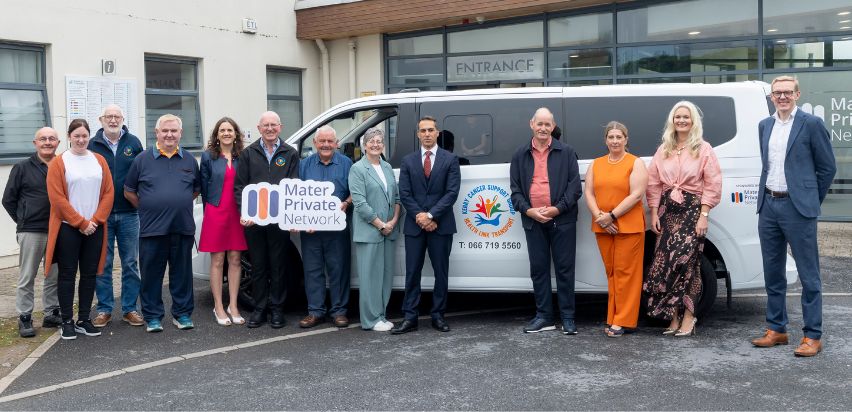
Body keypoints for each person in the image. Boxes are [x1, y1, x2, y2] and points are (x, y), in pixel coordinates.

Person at [750, 76, 836, 357]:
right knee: (773, 273)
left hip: (797, 209)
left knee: (809, 276)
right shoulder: (765, 125)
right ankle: (777, 329)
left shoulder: (811, 124)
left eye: (788, 92)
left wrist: (809, 199)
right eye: (777, 93)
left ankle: (813, 335)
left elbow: (827, 169)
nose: (782, 97)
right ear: (772, 97)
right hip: (769, 206)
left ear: (797, 94)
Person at [643, 101, 722, 337]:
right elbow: (653, 183)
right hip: (668, 212)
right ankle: (674, 317)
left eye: (686, 117)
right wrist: (654, 212)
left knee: (688, 264)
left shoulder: (703, 148)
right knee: (667, 266)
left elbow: (713, 183)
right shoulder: (664, 149)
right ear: (672, 120)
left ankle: (689, 316)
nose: (681, 120)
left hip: (692, 211)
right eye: (677, 117)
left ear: (693, 121)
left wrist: (704, 215)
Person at [124, 114, 200, 333]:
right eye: (164, 131)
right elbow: (129, 191)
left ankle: (182, 314)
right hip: (151, 229)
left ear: (180, 133)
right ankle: (153, 317)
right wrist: (148, 207)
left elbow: (195, 190)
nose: (169, 134)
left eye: (174, 131)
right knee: (151, 275)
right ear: (156, 133)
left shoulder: (189, 160)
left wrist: (177, 202)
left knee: (182, 274)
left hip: (182, 227)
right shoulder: (142, 159)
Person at [509, 107, 582, 335]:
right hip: (532, 220)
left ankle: (568, 318)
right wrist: (529, 211)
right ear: (532, 124)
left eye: (547, 124)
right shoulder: (520, 154)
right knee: (539, 270)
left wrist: (556, 209)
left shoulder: (567, 152)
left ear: (553, 126)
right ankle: (544, 317)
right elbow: (515, 191)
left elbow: (575, 188)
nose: (543, 128)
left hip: (562, 220)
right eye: (539, 124)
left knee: (564, 269)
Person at [45, 119, 114, 340]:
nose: (81, 140)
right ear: (69, 137)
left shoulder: (99, 160)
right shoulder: (59, 162)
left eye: (85, 135)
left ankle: (84, 318)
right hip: (68, 228)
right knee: (66, 275)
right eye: (77, 136)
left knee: (89, 274)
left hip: (95, 228)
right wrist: (80, 223)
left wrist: (95, 220)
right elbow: (57, 198)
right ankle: (67, 321)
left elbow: (108, 193)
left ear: (89, 137)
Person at [393, 116, 461, 334]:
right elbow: (404, 193)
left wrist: (431, 216)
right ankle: (410, 317)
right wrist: (421, 217)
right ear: (418, 134)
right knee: (412, 272)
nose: (427, 134)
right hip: (415, 226)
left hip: (441, 225)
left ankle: (438, 315)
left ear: (438, 133)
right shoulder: (408, 161)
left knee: (441, 272)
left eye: (431, 130)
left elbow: (451, 193)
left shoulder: (450, 160)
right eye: (423, 130)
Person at [234, 111, 300, 329]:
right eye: (266, 125)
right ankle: (260, 309)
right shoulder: (248, 154)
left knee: (278, 266)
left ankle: (277, 310)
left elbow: (294, 186)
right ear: (259, 128)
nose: (270, 129)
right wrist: (246, 212)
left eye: (274, 125)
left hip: (279, 222)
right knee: (259, 267)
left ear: (280, 127)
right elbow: (240, 187)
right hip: (254, 223)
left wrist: (291, 215)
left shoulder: (290, 153)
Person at [583, 121, 648, 337]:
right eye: (611, 137)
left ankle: (623, 321)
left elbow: (636, 194)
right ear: (606, 140)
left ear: (626, 139)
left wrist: (611, 216)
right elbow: (589, 193)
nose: (615, 141)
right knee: (611, 272)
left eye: (619, 137)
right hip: (603, 226)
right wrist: (600, 217)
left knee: (626, 274)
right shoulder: (596, 163)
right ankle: (613, 316)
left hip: (627, 226)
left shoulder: (635, 163)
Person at [88, 104, 145, 328]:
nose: (113, 120)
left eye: (117, 116)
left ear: (123, 119)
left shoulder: (134, 143)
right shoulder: (92, 145)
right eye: (109, 117)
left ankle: (130, 308)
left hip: (130, 213)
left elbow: (143, 173)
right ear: (101, 120)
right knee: (103, 263)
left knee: (131, 262)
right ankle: (104, 309)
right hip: (102, 214)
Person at [2, 127, 62, 337]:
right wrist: (23, 219)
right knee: (27, 275)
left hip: (57, 229)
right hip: (31, 231)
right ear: (35, 143)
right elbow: (8, 199)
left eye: (52, 139)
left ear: (58, 142)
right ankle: (25, 317)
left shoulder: (63, 165)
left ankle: (51, 313)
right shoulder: (22, 167)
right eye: (43, 139)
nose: (47, 142)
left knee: (53, 274)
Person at [297, 125, 353, 329]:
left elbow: (355, 191)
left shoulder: (347, 164)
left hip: (337, 229)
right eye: (322, 141)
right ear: (315, 143)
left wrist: (346, 203)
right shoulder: (304, 165)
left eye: (330, 141)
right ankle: (315, 311)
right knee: (312, 270)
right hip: (311, 230)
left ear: (336, 143)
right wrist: (300, 220)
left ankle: (339, 311)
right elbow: (296, 196)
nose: (326, 145)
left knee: (339, 269)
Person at [348, 128, 401, 332]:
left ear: (383, 145)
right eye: (371, 141)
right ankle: (370, 319)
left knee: (385, 276)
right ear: (364, 145)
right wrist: (380, 224)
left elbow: (396, 198)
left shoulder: (387, 167)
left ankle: (381, 314)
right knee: (370, 278)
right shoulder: (358, 169)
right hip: (370, 232)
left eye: (379, 141)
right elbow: (360, 203)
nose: (375, 144)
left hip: (389, 230)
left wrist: (393, 221)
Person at [199, 117, 248, 326]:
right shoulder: (208, 157)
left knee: (236, 259)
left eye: (230, 130)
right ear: (217, 135)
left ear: (236, 134)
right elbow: (203, 187)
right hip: (216, 211)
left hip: (237, 213)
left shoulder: (243, 157)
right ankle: (218, 305)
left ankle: (233, 305)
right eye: (222, 130)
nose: (226, 133)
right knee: (218, 260)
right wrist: (209, 212)